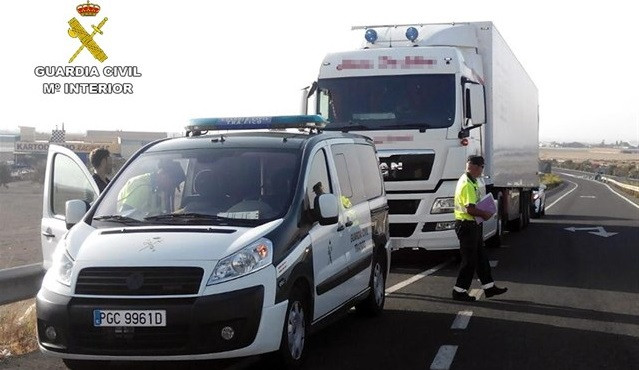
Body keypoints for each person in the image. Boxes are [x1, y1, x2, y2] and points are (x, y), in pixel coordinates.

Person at [452, 155, 508, 302]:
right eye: (482, 167)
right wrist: (485, 213)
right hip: (467, 225)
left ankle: (489, 287)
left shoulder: (471, 180)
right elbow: (469, 209)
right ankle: (459, 291)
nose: (482, 171)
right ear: (476, 167)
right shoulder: (467, 184)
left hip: (472, 225)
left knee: (481, 258)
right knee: (469, 261)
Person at [117, 160, 185, 216]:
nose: (172, 188)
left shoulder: (158, 189)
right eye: (172, 184)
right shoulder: (141, 187)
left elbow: (159, 216)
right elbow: (125, 217)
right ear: (164, 174)